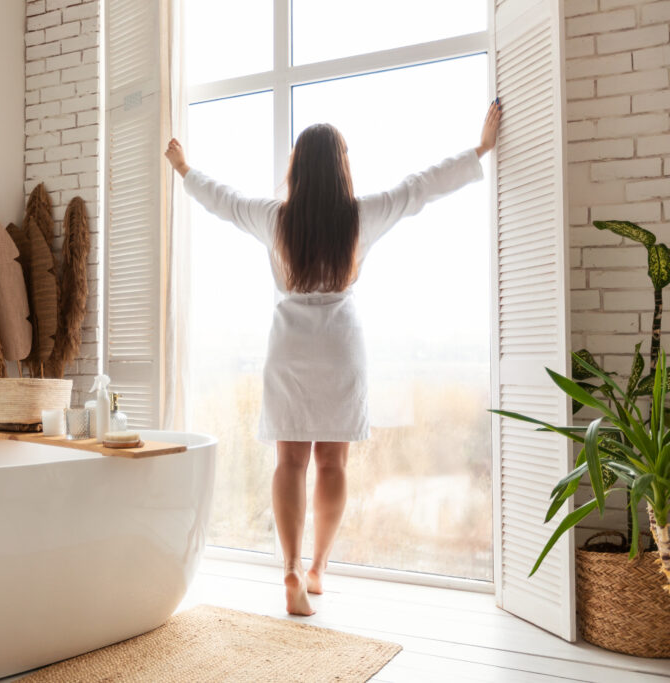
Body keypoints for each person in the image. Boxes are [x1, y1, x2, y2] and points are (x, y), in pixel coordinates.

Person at [164, 100, 502, 616]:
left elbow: (224, 201)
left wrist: (185, 169)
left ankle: (290, 569)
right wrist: (479, 148)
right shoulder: (360, 217)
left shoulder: (274, 220)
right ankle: (320, 567)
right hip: (340, 348)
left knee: (289, 461)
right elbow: (419, 187)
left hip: (289, 349)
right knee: (332, 462)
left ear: (297, 167)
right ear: (342, 166)